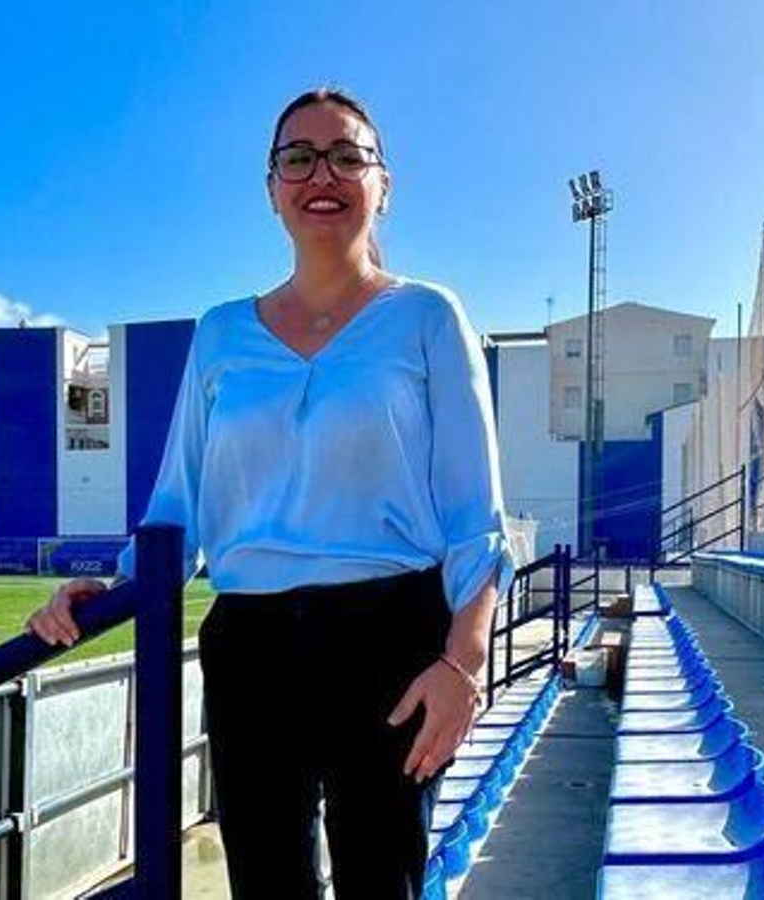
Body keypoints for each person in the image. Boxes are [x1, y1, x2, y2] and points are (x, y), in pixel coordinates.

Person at [26, 86, 513, 899]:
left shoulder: (428, 317)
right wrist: (110, 590)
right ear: (272, 189)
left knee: (379, 883)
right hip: (250, 647)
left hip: (391, 639)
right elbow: (178, 504)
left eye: (347, 154)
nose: (322, 173)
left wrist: (463, 664)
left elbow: (475, 516)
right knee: (267, 886)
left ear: (382, 183)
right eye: (298, 157)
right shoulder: (221, 332)